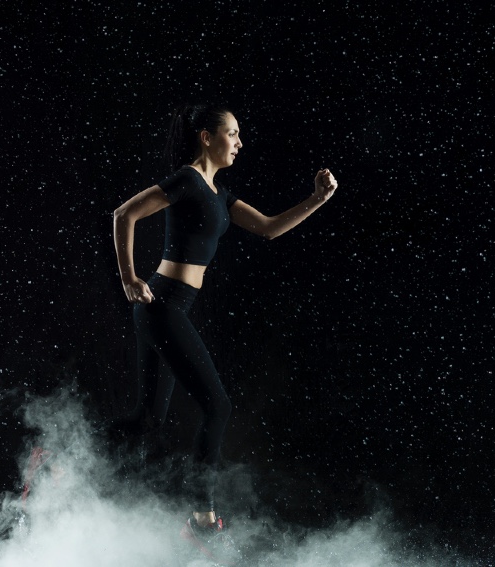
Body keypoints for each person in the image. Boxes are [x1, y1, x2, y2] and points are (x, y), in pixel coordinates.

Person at [110, 104, 337, 538]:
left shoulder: (219, 194)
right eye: (232, 134)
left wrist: (317, 199)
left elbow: (269, 228)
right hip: (162, 305)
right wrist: (129, 277)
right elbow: (124, 215)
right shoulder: (187, 179)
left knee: (147, 419)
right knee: (218, 406)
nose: (239, 142)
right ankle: (201, 520)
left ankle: (53, 461)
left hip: (170, 307)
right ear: (206, 137)